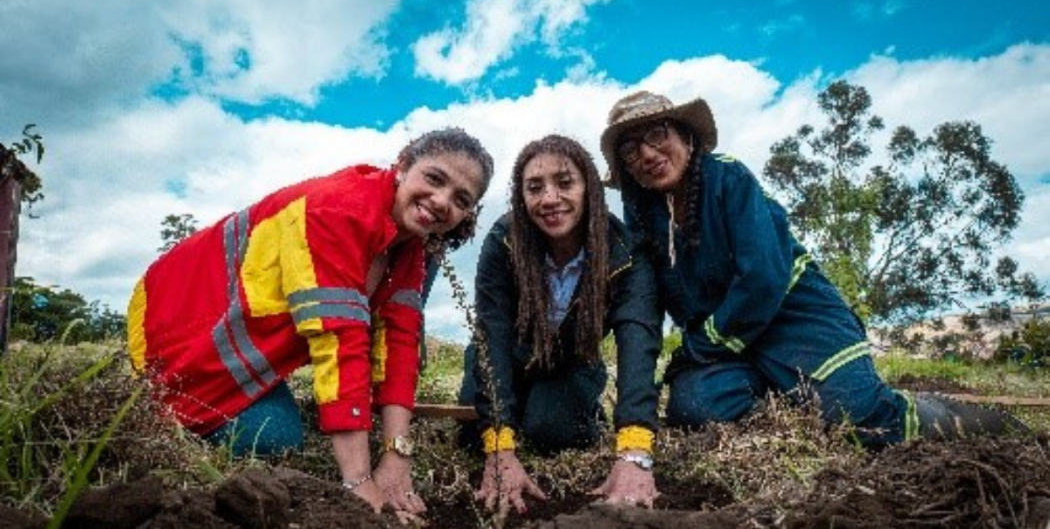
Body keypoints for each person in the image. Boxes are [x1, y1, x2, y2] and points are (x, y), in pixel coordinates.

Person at [599, 90, 1025, 447]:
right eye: (631, 148)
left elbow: (762, 280)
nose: (648, 153)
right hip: (733, 345)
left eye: (658, 134)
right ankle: (791, 393)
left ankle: (967, 420)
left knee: (860, 420)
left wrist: (699, 347)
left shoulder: (728, 179)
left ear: (687, 137)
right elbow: (652, 303)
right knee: (692, 408)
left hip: (797, 320)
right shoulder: (644, 217)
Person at [126, 128, 494, 520]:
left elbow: (399, 346)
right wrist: (358, 483)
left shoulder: (412, 248)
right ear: (403, 164)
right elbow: (339, 339)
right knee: (274, 438)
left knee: (325, 401)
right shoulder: (336, 210)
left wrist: (396, 456)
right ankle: (176, 394)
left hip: (257, 335)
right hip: (174, 327)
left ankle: (337, 407)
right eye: (434, 179)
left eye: (460, 200)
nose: (441, 202)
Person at [458, 134, 663, 514]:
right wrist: (500, 450)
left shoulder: (625, 250)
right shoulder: (504, 241)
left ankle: (582, 409)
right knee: (474, 435)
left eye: (565, 182)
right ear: (521, 196)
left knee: (553, 433)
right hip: (512, 354)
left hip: (572, 360)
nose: (550, 198)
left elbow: (639, 338)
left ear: (589, 189)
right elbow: (493, 334)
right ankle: (511, 416)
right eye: (534, 188)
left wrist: (635, 450)